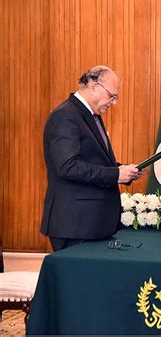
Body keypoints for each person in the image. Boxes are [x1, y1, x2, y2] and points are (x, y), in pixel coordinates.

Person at [41, 66, 142, 251]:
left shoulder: (88, 115)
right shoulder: (66, 115)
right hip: (75, 224)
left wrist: (122, 170)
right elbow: (68, 167)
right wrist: (115, 175)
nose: (113, 102)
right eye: (112, 96)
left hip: (88, 223)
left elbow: (92, 161)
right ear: (94, 86)